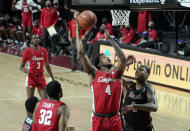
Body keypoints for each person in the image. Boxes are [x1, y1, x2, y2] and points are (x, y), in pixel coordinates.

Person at [75, 16, 135, 131]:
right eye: (103, 57)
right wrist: (77, 31)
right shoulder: (94, 73)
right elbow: (81, 52)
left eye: (108, 57)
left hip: (115, 118)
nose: (107, 58)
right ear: (98, 64)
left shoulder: (117, 74)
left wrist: (110, 39)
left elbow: (122, 59)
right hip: (98, 119)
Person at [121, 65, 158, 131]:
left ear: (147, 74)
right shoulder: (129, 84)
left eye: (141, 70)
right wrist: (126, 63)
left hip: (143, 128)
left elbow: (154, 107)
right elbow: (117, 76)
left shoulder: (148, 89)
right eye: (137, 70)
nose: (138, 71)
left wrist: (135, 106)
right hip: (128, 127)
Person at [20, 34, 54, 98]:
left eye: (37, 38)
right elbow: (21, 67)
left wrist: (52, 77)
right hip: (31, 77)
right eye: (34, 38)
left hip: (40, 77)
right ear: (31, 41)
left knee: (45, 99)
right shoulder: (27, 51)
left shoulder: (44, 51)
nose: (36, 39)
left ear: (39, 40)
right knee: (30, 101)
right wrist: (26, 70)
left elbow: (47, 65)